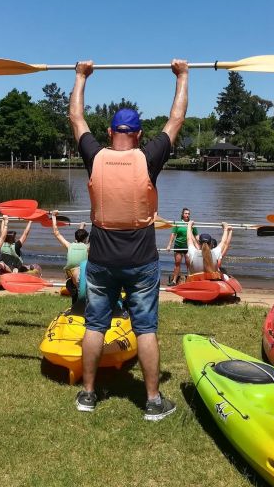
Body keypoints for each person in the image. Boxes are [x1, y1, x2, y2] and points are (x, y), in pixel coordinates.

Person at [69, 58, 188, 420]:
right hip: (141, 261)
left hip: (102, 259)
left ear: (109, 132)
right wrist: (182, 76)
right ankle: (152, 402)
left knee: (94, 325)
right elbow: (176, 119)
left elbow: (76, 117)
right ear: (137, 135)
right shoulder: (149, 157)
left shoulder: (94, 156)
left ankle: (88, 395)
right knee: (146, 328)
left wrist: (80, 76)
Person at [51, 211, 89, 302]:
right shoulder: (87, 247)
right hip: (83, 281)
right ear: (86, 239)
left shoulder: (69, 246)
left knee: (75, 296)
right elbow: (96, 237)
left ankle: (76, 304)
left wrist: (53, 216)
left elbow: (56, 232)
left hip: (71, 282)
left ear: (75, 238)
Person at [166, 208, 196, 285]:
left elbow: (196, 236)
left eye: (188, 213)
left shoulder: (191, 224)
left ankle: (190, 280)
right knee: (177, 263)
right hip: (178, 246)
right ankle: (174, 281)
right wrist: (169, 245)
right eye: (186, 213)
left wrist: (199, 245)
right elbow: (173, 235)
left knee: (188, 264)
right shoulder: (178, 223)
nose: (187, 215)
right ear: (182, 214)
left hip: (188, 247)